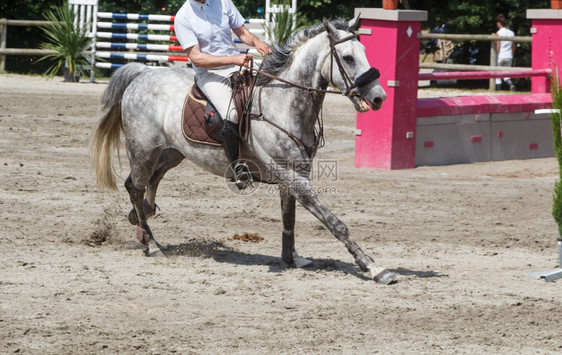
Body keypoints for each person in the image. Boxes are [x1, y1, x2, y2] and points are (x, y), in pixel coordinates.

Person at [174, 0, 271, 186]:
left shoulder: (223, 2)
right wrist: (233, 59)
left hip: (237, 63)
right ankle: (237, 166)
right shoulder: (183, 17)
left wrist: (257, 42)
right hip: (210, 73)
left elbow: (242, 32)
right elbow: (197, 58)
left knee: (270, 90)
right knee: (231, 114)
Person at [495, 14, 516, 91]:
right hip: (509, 55)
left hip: (501, 55)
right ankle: (511, 84)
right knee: (506, 74)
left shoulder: (498, 33)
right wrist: (512, 54)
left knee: (498, 74)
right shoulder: (511, 33)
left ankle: (498, 89)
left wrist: (496, 55)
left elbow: (498, 46)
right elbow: (513, 46)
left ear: (499, 23)